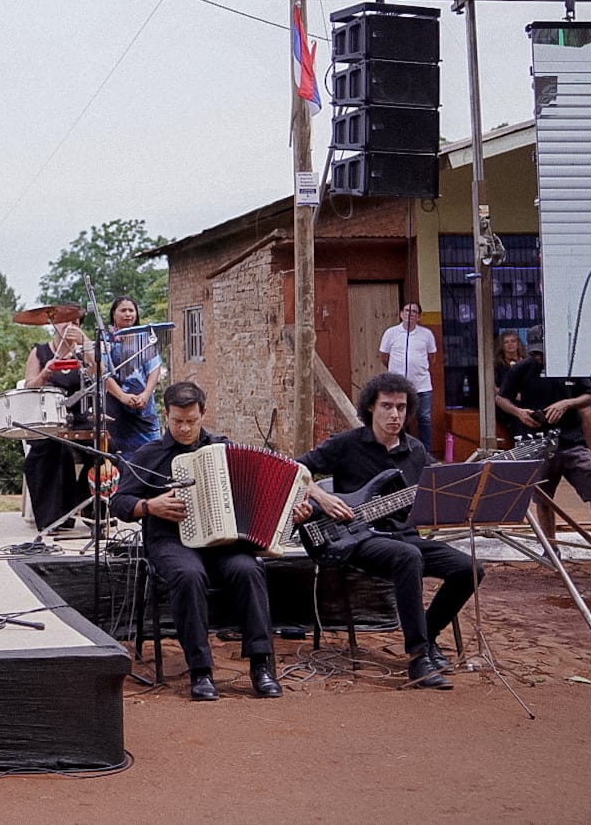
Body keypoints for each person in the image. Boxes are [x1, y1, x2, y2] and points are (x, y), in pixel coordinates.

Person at [109, 381, 309, 701]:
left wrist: (291, 512)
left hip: (222, 542)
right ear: (166, 415)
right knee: (189, 576)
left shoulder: (223, 449)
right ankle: (200, 671)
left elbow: (262, 498)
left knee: (249, 570)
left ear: (204, 412)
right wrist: (150, 506)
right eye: (177, 421)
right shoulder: (149, 455)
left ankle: (261, 666)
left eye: (191, 420)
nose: (185, 428)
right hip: (170, 541)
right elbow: (118, 504)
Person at [300, 372, 480, 690]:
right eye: (387, 406)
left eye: (401, 407)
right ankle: (419, 656)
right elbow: (294, 469)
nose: (395, 414)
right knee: (408, 557)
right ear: (370, 407)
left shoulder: (416, 451)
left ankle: (428, 631)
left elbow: (436, 497)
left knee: (470, 568)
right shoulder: (346, 445)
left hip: (404, 536)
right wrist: (320, 496)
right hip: (357, 539)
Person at [496, 334, 591, 567]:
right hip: (537, 440)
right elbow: (502, 399)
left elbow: (590, 395)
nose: (540, 358)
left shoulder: (570, 365)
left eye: (544, 353)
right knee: (543, 497)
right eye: (537, 354)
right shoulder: (522, 368)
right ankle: (550, 548)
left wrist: (566, 404)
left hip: (572, 440)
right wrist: (520, 413)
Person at [19, 319, 95, 532]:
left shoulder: (83, 353)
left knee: (107, 448)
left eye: (74, 321)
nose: (69, 325)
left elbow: (101, 372)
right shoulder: (40, 352)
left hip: (79, 419)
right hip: (49, 419)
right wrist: (45, 374)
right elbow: (28, 386)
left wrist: (85, 342)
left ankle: (90, 507)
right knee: (53, 448)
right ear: (54, 324)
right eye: (64, 321)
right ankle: (56, 518)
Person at [104, 296, 163, 456]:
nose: (128, 314)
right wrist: (122, 396)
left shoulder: (145, 340)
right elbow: (102, 374)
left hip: (144, 412)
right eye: (123, 310)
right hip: (117, 413)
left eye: (131, 310)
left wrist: (145, 395)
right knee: (120, 461)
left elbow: (154, 369)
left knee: (152, 457)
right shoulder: (106, 341)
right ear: (114, 314)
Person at [379, 301, 438, 449]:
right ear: (401, 314)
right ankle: (400, 449)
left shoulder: (427, 334)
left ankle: (426, 452)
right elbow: (384, 356)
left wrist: (419, 368)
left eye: (414, 312)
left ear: (419, 317)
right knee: (399, 419)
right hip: (398, 387)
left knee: (424, 418)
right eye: (406, 311)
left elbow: (432, 357)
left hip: (422, 385)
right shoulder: (391, 333)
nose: (409, 314)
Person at [493, 330, 527, 444]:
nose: (510, 344)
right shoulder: (497, 365)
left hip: (526, 398)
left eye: (513, 341)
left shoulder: (527, 362)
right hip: (505, 401)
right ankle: (521, 445)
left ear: (518, 343)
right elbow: (493, 388)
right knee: (516, 416)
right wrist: (511, 395)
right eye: (506, 342)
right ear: (502, 346)